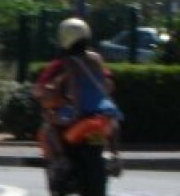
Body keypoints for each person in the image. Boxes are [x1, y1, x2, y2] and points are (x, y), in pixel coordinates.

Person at [32, 17, 123, 177]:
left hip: (78, 109)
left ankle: (62, 160)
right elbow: (108, 84)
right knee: (112, 123)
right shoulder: (96, 58)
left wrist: (74, 107)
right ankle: (115, 156)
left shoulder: (65, 62)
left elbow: (72, 86)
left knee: (49, 127)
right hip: (101, 107)